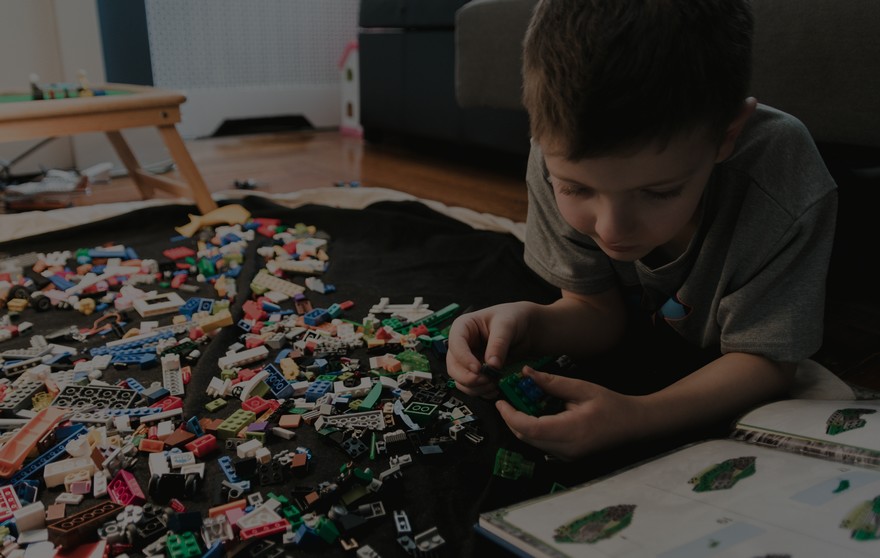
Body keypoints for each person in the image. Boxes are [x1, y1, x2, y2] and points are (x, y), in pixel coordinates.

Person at [446, 0, 838, 461]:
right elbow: (596, 312)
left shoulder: (783, 178)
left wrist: (638, 416)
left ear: (727, 136)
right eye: (575, 188)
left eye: (659, 193)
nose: (613, 231)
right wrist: (530, 323)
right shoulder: (554, 148)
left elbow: (768, 362)